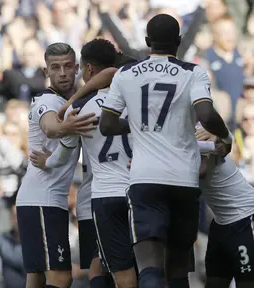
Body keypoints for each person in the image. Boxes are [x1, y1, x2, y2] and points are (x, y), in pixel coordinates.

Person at [99, 14, 232, 288]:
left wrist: (137, 124)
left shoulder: (126, 74)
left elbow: (107, 125)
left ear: (147, 42)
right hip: (184, 179)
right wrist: (225, 135)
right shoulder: (193, 72)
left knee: (149, 268)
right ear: (179, 41)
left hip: (145, 179)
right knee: (178, 270)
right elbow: (205, 114)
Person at [30, 39, 137, 288]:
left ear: (86, 69)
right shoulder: (138, 100)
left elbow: (64, 154)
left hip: (97, 197)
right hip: (137, 189)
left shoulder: (79, 108)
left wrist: (48, 162)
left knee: (98, 264)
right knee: (144, 263)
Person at [15, 42, 97, 288]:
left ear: (77, 69)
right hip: (43, 198)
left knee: (37, 278)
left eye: (67, 66)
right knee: (61, 278)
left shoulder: (72, 101)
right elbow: (50, 127)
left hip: (44, 199)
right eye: (55, 67)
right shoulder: (46, 100)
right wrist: (69, 127)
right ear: (45, 72)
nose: (62, 72)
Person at [195, 127, 254, 288]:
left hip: (245, 216)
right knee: (215, 281)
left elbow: (202, 171)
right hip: (220, 221)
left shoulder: (198, 132)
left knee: (247, 283)